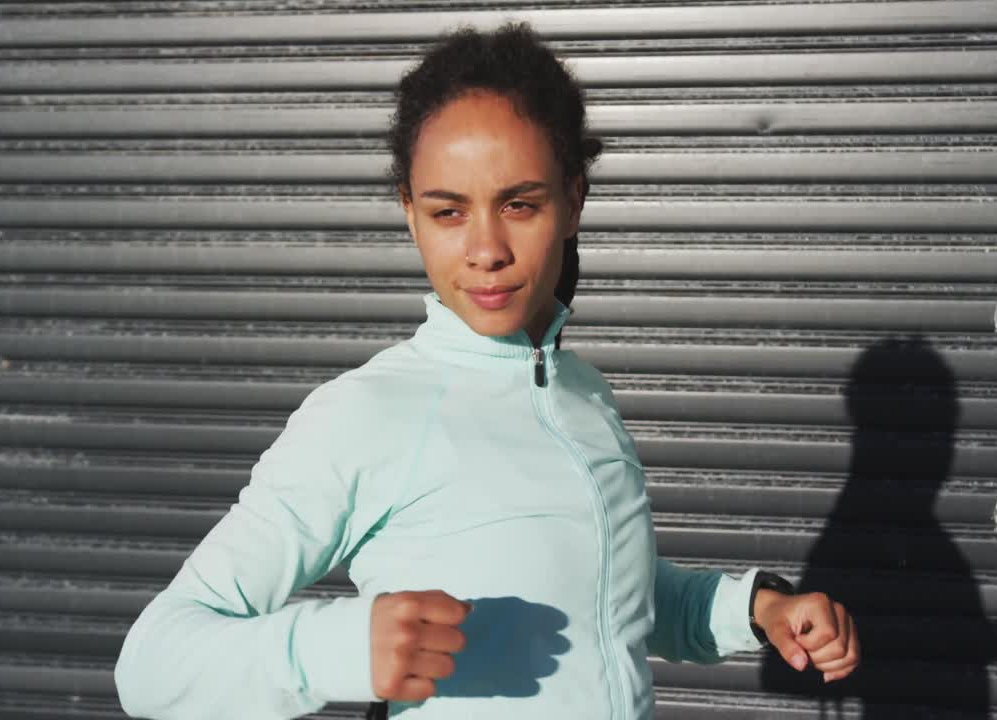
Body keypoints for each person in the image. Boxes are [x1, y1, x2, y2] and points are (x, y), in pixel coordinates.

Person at [113, 23, 859, 720]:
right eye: (448, 212)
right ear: (409, 212)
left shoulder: (584, 395)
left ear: (573, 200)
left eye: (519, 205)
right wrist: (334, 650)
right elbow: (150, 664)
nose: (486, 251)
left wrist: (757, 609)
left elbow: (609, 598)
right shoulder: (366, 414)